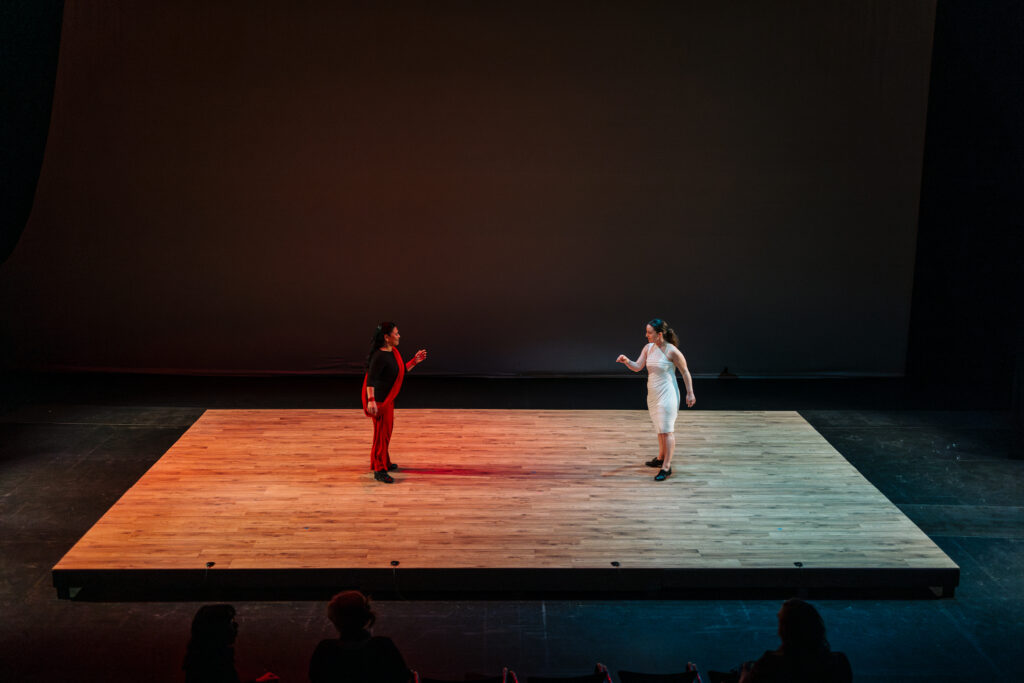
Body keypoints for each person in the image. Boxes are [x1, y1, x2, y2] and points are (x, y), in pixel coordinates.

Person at [616, 318, 695, 481]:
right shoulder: (648, 348)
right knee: (660, 428)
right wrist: (626, 361)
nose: (646, 335)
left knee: (667, 430)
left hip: (668, 394)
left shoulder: (671, 351)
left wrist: (690, 393)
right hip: (653, 394)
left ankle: (666, 467)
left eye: (649, 332)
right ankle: (660, 458)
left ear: (659, 334)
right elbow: (638, 367)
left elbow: (685, 371)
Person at [363, 322, 427, 483]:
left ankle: (384, 462)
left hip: (387, 401)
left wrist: (414, 361)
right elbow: (371, 380)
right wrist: (371, 401)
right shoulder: (379, 356)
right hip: (379, 402)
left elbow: (400, 371)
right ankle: (379, 469)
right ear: (386, 337)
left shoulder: (393, 352)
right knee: (381, 436)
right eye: (396, 333)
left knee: (385, 434)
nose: (399, 336)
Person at [738, 598, 852, 683]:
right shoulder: (838, 663)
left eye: (781, 623)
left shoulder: (769, 664)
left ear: (784, 630)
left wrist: (745, 675)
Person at [309, 590, 411, 683]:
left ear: (335, 620)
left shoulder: (326, 650)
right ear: (365, 616)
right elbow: (401, 676)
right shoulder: (383, 647)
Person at [182, 604, 279, 683]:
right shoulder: (214, 661)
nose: (236, 625)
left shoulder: (202, 658)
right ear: (217, 628)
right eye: (230, 621)